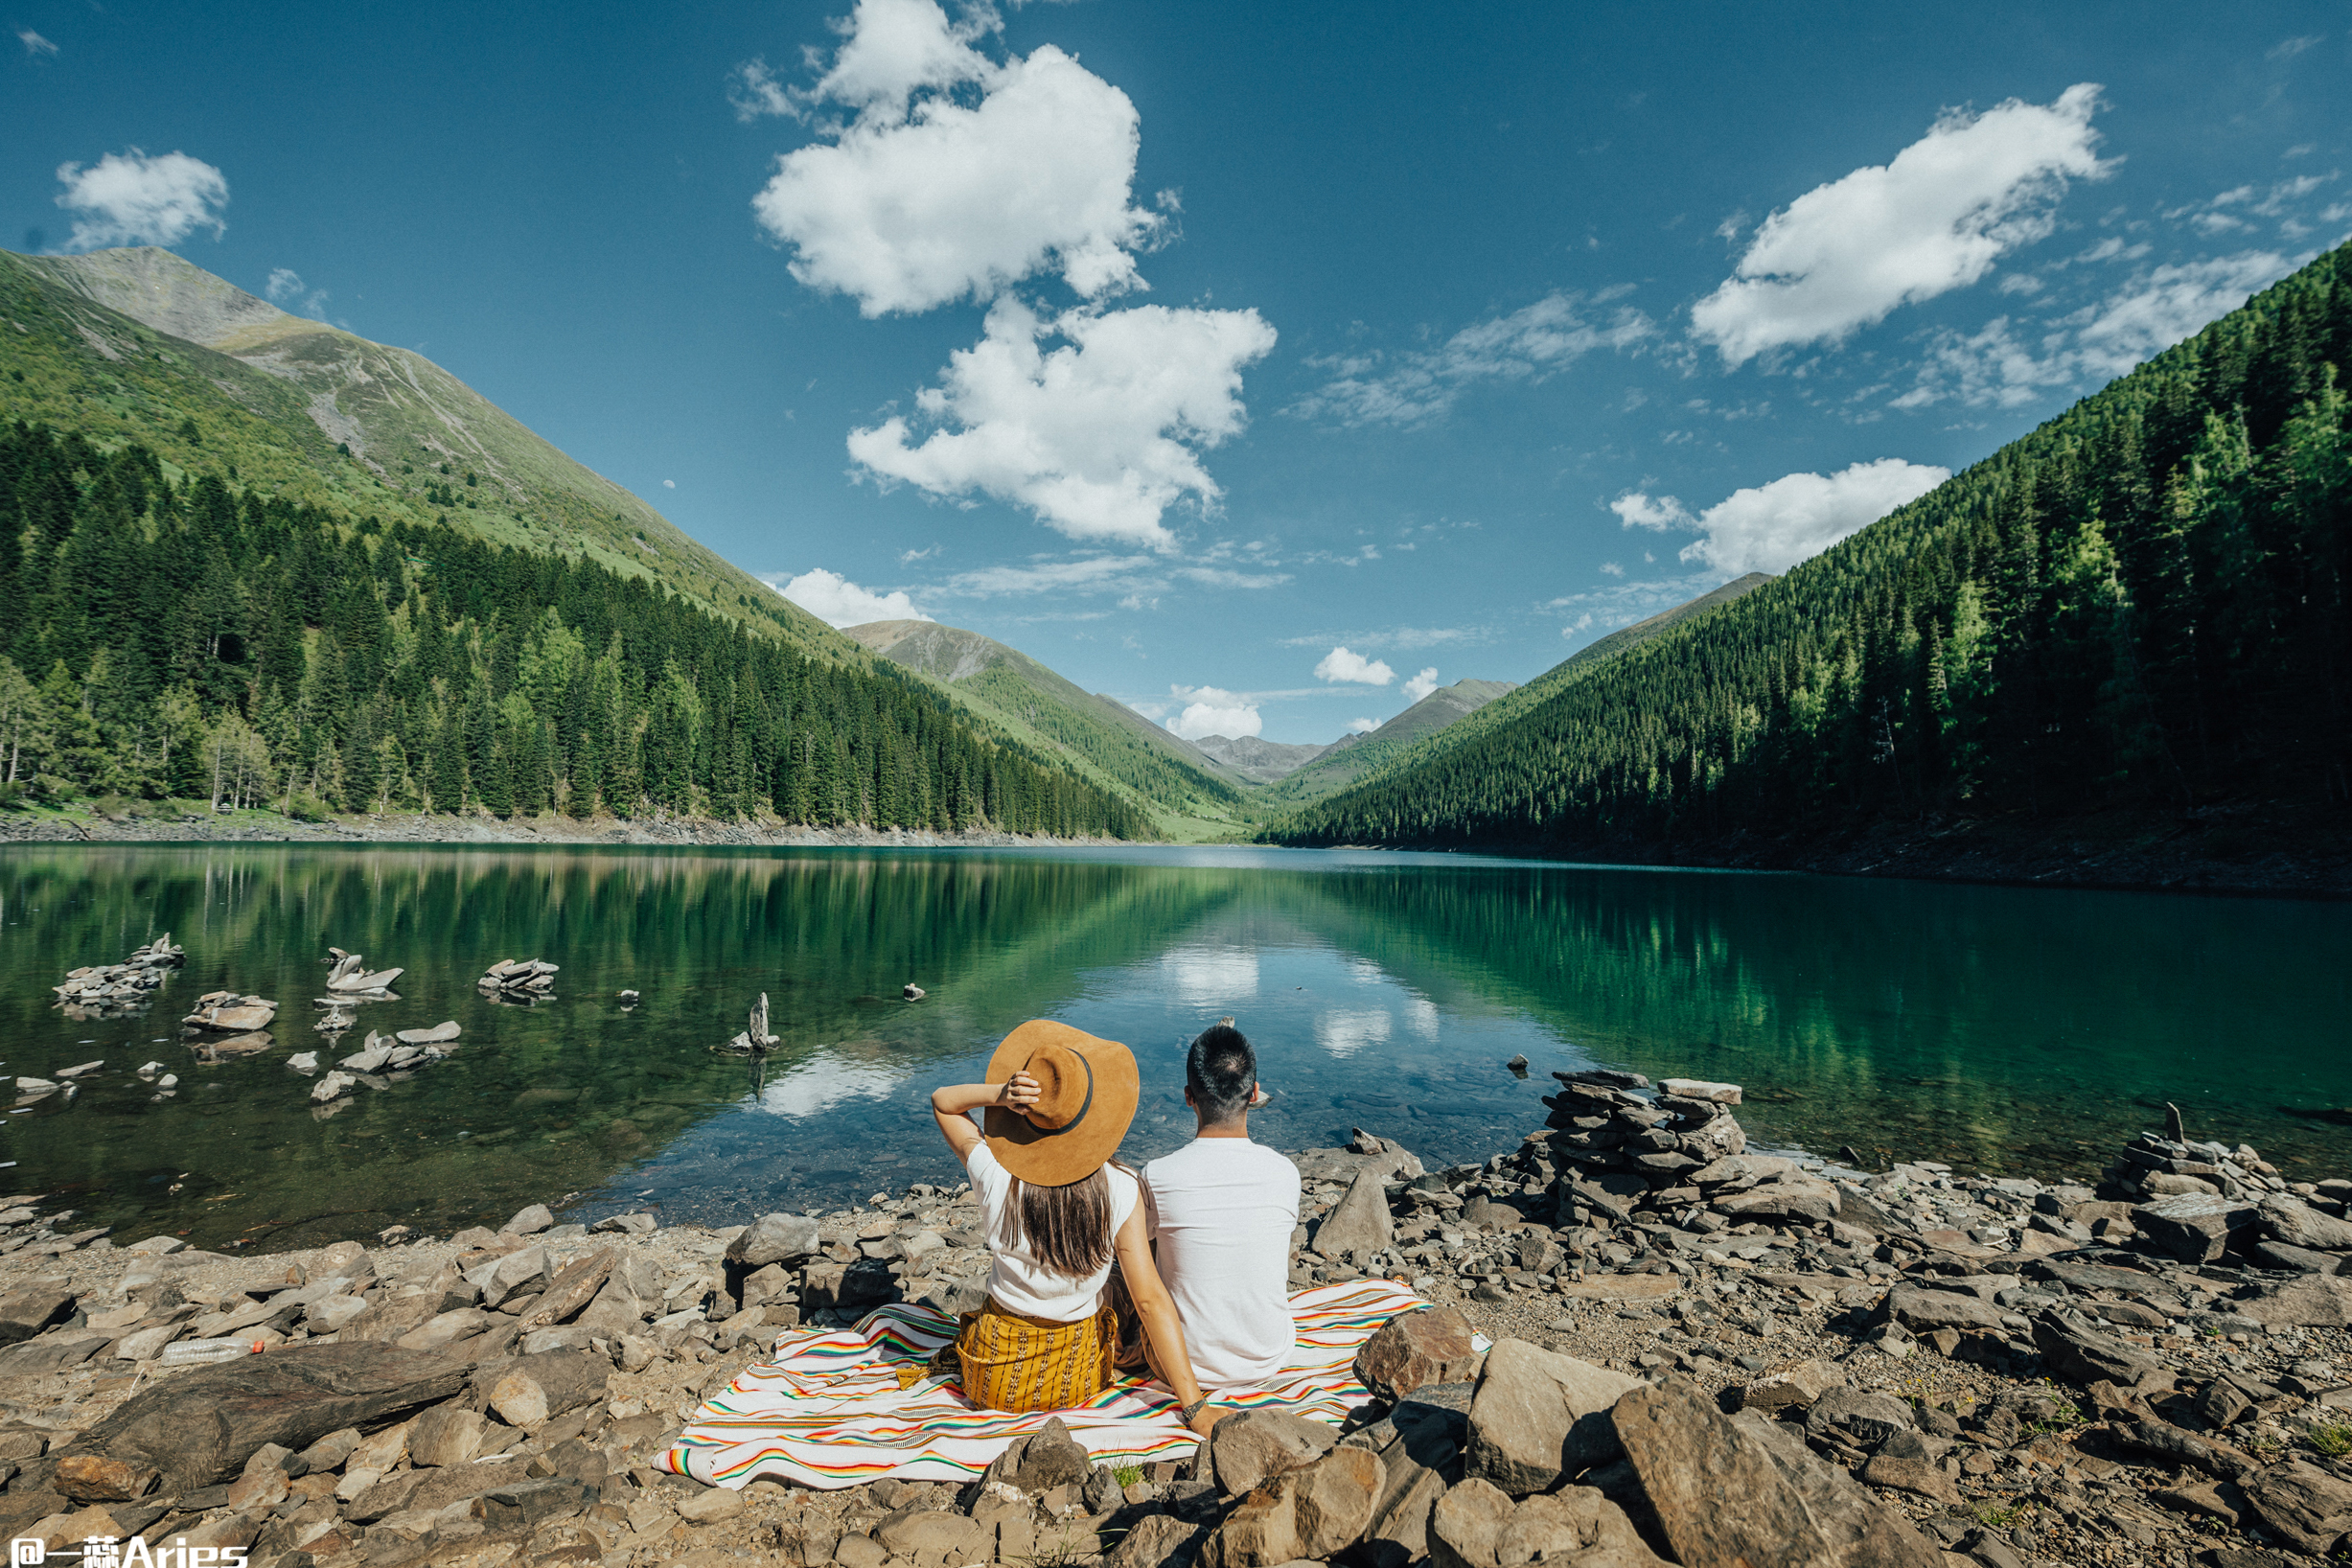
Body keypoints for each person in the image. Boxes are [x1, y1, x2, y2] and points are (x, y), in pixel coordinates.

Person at [929, 1019, 1224, 1437]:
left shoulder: (993, 1172)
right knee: (1129, 1276)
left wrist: (998, 1095)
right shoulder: (1121, 1187)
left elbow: (943, 1101)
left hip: (993, 1379)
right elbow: (1150, 1301)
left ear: (1024, 1112)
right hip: (1078, 1377)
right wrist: (1195, 1408)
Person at [1139, 1022, 1301, 1391]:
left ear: (1188, 1097)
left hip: (1182, 1367)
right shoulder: (1285, 1173)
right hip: (1268, 1357)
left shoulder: (1158, 1175)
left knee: (1133, 1254)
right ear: (1254, 1093)